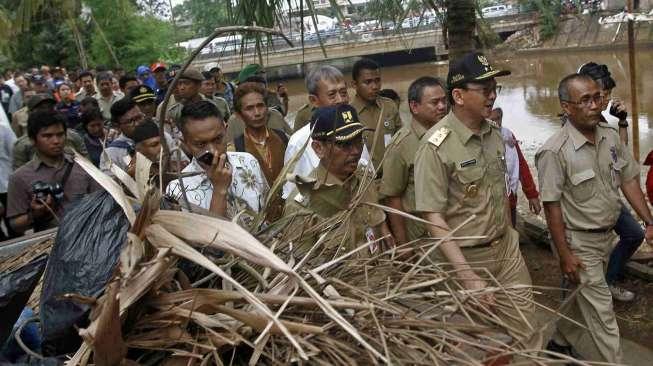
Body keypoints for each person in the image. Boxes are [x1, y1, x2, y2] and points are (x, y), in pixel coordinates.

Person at [414, 52, 541, 353]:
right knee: (469, 346)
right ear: (458, 95)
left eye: (495, 88)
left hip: (506, 250)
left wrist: (511, 234)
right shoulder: (435, 147)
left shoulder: (494, 135)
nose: (493, 96)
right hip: (467, 260)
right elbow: (433, 217)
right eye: (485, 89)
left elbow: (500, 194)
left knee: (527, 332)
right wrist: (467, 276)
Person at [536, 73, 653, 362]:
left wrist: (650, 221)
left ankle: (559, 341)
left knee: (578, 299)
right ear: (567, 107)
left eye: (597, 97)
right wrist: (564, 254)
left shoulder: (610, 137)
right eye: (584, 100)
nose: (594, 105)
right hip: (578, 242)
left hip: (606, 236)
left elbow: (628, 181)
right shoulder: (554, 151)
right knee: (602, 314)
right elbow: (552, 207)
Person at [283, 104, 393, 259]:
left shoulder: (365, 181)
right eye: (344, 144)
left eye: (358, 141)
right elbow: (302, 269)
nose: (355, 151)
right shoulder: (302, 204)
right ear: (318, 148)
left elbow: (380, 232)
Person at [578, 62, 644, 303]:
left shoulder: (603, 122)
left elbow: (620, 157)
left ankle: (608, 281)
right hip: (587, 208)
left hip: (609, 197)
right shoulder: (578, 123)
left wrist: (623, 122)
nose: (604, 101)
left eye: (605, 95)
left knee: (634, 234)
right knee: (580, 271)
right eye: (601, 95)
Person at [165, 100, 269, 225]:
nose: (213, 151)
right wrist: (219, 190)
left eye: (218, 139)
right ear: (185, 142)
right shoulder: (178, 190)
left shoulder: (248, 162)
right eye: (200, 144)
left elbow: (268, 211)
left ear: (226, 131)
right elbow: (210, 241)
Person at [6, 110, 101, 235]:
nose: (56, 141)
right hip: (51, 243)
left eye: (60, 134)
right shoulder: (19, 177)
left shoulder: (82, 165)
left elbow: (101, 201)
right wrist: (34, 214)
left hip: (90, 234)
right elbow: (15, 225)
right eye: (47, 136)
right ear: (33, 139)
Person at [283, 65, 372, 199]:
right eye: (332, 95)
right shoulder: (299, 142)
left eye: (343, 93)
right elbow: (293, 195)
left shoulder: (354, 128)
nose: (341, 100)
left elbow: (367, 173)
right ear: (314, 101)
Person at [380, 77, 447, 245]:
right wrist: (403, 244)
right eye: (435, 102)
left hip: (452, 227)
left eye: (444, 101)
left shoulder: (450, 134)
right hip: (422, 237)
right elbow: (392, 197)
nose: (442, 107)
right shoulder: (401, 145)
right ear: (414, 106)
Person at [231, 83, 288, 221]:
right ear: (239, 114)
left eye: (260, 106)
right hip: (259, 224)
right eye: (249, 108)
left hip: (289, 217)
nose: (257, 113)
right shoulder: (235, 150)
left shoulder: (283, 138)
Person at [489, 108, 541, 227]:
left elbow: (521, 164)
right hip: (490, 203)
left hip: (510, 198)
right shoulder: (478, 138)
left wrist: (532, 194)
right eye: (491, 120)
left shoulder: (507, 135)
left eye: (498, 118)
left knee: (511, 229)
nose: (496, 123)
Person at [12, 94, 88, 170]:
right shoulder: (23, 145)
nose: (56, 141)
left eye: (50, 107)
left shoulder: (73, 136)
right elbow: (20, 174)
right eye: (41, 108)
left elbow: (88, 166)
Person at [350, 58, 402, 170]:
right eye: (367, 82)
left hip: (392, 175)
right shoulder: (349, 113)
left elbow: (401, 140)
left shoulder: (389, 106)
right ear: (355, 84)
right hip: (364, 181)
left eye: (377, 80)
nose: (374, 86)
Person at [100, 98, 145, 173]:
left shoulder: (160, 137)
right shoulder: (110, 154)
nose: (137, 124)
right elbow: (109, 183)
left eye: (139, 117)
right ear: (117, 126)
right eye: (130, 121)